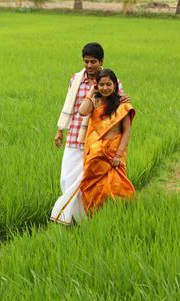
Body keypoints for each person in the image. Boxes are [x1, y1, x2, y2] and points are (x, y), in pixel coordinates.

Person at [50, 42, 126, 224]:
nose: (89, 66)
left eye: (93, 62)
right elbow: (70, 104)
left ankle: (75, 218)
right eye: (86, 62)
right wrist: (60, 129)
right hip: (74, 135)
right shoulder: (75, 79)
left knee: (88, 180)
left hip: (96, 140)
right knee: (66, 179)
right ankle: (74, 215)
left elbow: (118, 107)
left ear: (101, 62)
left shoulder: (109, 81)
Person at [78, 68, 135, 213]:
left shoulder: (122, 104)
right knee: (94, 187)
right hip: (96, 153)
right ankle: (95, 215)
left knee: (116, 186)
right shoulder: (95, 101)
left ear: (115, 85)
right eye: (101, 85)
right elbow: (82, 111)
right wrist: (91, 91)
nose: (105, 88)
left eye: (108, 84)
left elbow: (127, 131)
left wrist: (118, 155)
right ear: (97, 85)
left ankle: (119, 214)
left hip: (114, 152)